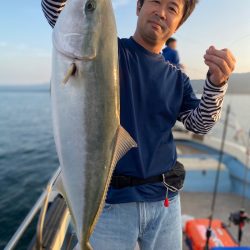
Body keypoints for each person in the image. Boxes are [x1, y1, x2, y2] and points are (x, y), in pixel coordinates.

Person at [41, 0, 236, 249]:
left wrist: (217, 84)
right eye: (155, 1)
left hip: (166, 203)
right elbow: (61, 15)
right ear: (138, 7)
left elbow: (200, 124)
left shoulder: (176, 77)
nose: (161, 12)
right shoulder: (106, 52)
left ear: (177, 25)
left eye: (172, 9)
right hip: (111, 206)